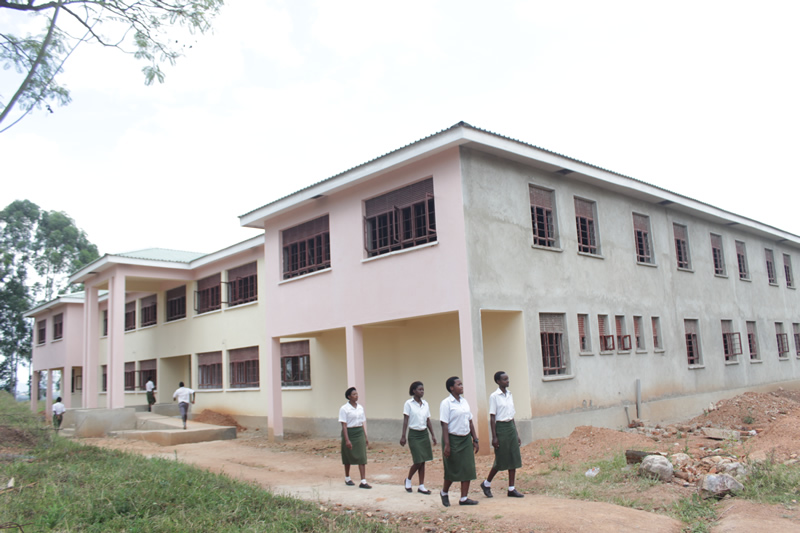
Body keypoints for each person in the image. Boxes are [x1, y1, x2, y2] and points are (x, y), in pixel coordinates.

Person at [480, 371, 524, 498]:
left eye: (507, 379)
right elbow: (492, 417)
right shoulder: (494, 396)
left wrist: (516, 434)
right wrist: (494, 437)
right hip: (501, 428)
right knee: (500, 459)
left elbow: (512, 415)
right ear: (498, 381)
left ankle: (511, 488)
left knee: (513, 457)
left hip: (510, 427)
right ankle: (486, 483)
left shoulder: (509, 394)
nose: (507, 381)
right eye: (504, 379)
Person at [439, 376, 479, 507]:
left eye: (461, 384)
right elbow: (444, 425)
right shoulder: (446, 403)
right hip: (453, 439)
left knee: (468, 468)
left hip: (466, 438)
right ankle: (444, 492)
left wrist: (475, 439)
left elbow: (470, 421)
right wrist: (447, 445)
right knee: (453, 468)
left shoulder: (464, 402)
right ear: (451, 388)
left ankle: (464, 498)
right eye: (459, 384)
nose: (462, 386)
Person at [399, 381, 437, 494]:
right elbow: (406, 420)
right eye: (420, 389)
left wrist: (432, 435)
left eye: (423, 390)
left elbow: (428, 420)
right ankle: (408, 479)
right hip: (414, 435)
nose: (422, 392)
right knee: (418, 460)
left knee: (423, 460)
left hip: (424, 434)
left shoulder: (425, 404)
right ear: (414, 391)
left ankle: (421, 486)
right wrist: (403, 436)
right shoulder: (408, 404)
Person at [339, 387, 371, 489]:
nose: (356, 396)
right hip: (349, 432)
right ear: (349, 397)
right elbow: (344, 425)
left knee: (362, 456)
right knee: (347, 455)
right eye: (354, 394)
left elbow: (362, 423)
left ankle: (363, 481)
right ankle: (347, 478)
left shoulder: (360, 408)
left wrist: (365, 437)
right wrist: (347, 440)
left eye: (357, 394)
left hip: (359, 432)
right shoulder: (344, 409)